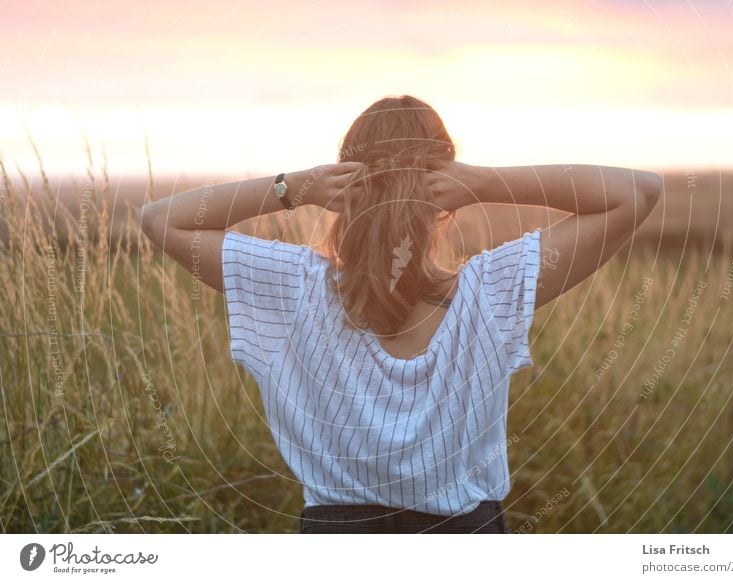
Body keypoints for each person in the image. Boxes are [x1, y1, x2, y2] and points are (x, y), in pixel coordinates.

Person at [138, 94, 663, 533]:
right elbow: (637, 191)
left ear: (346, 183)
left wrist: (292, 188)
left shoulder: (291, 287)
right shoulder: (492, 291)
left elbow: (161, 220)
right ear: (445, 191)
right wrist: (485, 184)